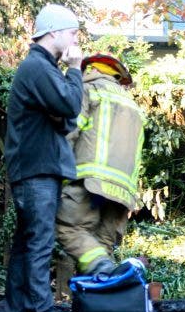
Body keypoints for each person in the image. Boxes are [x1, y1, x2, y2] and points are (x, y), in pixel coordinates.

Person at [4, 4, 84, 312]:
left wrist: (64, 102)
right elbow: (70, 105)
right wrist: (76, 69)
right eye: (71, 33)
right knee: (39, 242)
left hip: (33, 168)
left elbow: (64, 118)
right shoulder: (39, 68)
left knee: (26, 242)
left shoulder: (42, 68)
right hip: (36, 170)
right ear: (52, 32)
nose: (76, 40)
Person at [56, 53, 145, 279]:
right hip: (122, 192)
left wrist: (57, 173)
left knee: (69, 228)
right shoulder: (132, 105)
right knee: (102, 245)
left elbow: (71, 132)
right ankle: (98, 306)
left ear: (90, 70)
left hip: (89, 181)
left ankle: (101, 271)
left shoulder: (88, 91)